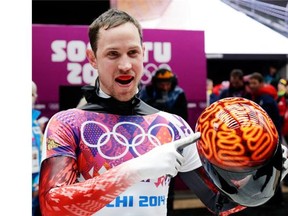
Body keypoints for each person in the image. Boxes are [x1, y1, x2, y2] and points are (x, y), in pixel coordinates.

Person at [39, 9, 288, 216]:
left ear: (143, 53)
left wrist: (266, 179)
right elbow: (52, 205)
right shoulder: (67, 123)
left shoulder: (172, 127)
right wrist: (134, 170)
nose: (125, 65)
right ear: (92, 58)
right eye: (112, 54)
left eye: (133, 52)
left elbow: (219, 203)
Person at [138, 68, 188, 215]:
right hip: (148, 141)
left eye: (167, 82)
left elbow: (183, 119)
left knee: (168, 177)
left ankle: (168, 210)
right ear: (155, 82)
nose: (165, 86)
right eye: (161, 83)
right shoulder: (146, 92)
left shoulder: (179, 93)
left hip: (171, 141)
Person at [248, 72, 285, 207]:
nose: (251, 86)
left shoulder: (266, 99)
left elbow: (264, 123)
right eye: (250, 83)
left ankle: (275, 200)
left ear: (261, 83)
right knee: (267, 171)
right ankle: (271, 200)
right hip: (265, 141)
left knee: (271, 171)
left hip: (270, 141)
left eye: (254, 83)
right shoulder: (259, 98)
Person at [32, 81, 43, 216]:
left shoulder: (35, 122)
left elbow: (41, 153)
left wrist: (37, 182)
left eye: (33, 94)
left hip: (35, 187)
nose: (33, 97)